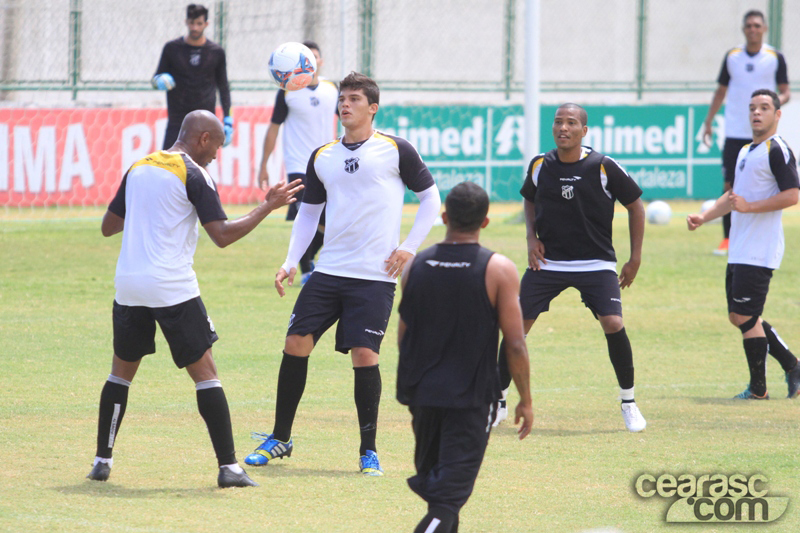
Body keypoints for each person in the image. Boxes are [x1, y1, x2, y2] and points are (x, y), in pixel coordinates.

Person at [86, 110, 302, 488]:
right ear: (203, 138)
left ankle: (102, 461)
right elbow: (222, 235)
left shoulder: (139, 167)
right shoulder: (194, 173)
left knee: (120, 373)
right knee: (206, 375)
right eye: (218, 146)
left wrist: (147, 213)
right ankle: (229, 468)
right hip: (171, 286)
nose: (218, 155)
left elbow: (107, 227)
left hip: (129, 285)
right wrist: (267, 206)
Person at [244, 72, 441, 475]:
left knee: (364, 355)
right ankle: (280, 438)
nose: (344, 105)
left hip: (374, 275)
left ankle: (368, 450)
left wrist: (408, 247)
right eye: (342, 99)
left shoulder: (395, 149)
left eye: (354, 99)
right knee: (295, 343)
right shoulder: (323, 156)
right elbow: (309, 214)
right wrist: (290, 260)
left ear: (372, 108)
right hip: (329, 272)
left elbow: (431, 199)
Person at [496, 103, 647, 432]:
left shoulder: (603, 166)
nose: (563, 128)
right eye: (558, 122)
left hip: (596, 264)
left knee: (613, 322)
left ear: (584, 131)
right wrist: (530, 238)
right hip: (548, 263)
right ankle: (498, 401)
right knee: (514, 328)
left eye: (571, 123)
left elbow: (636, 206)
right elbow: (529, 199)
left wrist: (634, 258)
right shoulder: (540, 165)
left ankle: (629, 401)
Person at [397, 182, 533, 533]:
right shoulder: (498, 269)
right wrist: (525, 400)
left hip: (423, 397)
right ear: (485, 222)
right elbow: (515, 344)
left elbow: (404, 335)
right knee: (446, 502)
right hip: (470, 399)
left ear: (444, 217)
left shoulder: (415, 267)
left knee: (442, 496)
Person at [689, 89, 800, 400]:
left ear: (777, 115)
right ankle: (793, 367)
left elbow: (792, 195)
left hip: (759, 248)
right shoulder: (745, 150)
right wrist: (705, 216)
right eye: (752, 107)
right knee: (740, 316)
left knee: (745, 316)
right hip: (740, 246)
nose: (756, 112)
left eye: (764, 107)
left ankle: (760, 389)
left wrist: (751, 207)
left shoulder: (777, 149)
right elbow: (734, 195)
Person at [702, 9, 790, 256]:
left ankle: (761, 238)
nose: (753, 29)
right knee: (731, 185)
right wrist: (708, 121)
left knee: (766, 184)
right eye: (749, 26)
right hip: (735, 132)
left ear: (764, 29)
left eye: (757, 25)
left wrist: (772, 104)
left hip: (763, 134)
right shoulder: (732, 56)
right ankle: (728, 240)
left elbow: (786, 91)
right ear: (744, 29)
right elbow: (720, 92)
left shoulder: (775, 57)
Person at [257, 41, 338, 283]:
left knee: (329, 221)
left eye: (314, 58)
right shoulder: (287, 91)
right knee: (307, 215)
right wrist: (263, 165)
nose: (309, 62)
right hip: (298, 165)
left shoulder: (333, 89)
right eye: (305, 57)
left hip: (328, 163)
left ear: (319, 62)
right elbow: (273, 129)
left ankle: (307, 258)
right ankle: (306, 271)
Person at [153, 4, 233, 150]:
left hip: (204, 122)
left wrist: (228, 119)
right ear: (186, 22)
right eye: (191, 23)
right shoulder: (172, 48)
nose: (195, 27)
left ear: (206, 24)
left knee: (198, 170)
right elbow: (155, 78)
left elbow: (223, 87)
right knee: (170, 167)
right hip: (177, 122)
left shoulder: (216, 52)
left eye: (199, 23)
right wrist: (159, 81)